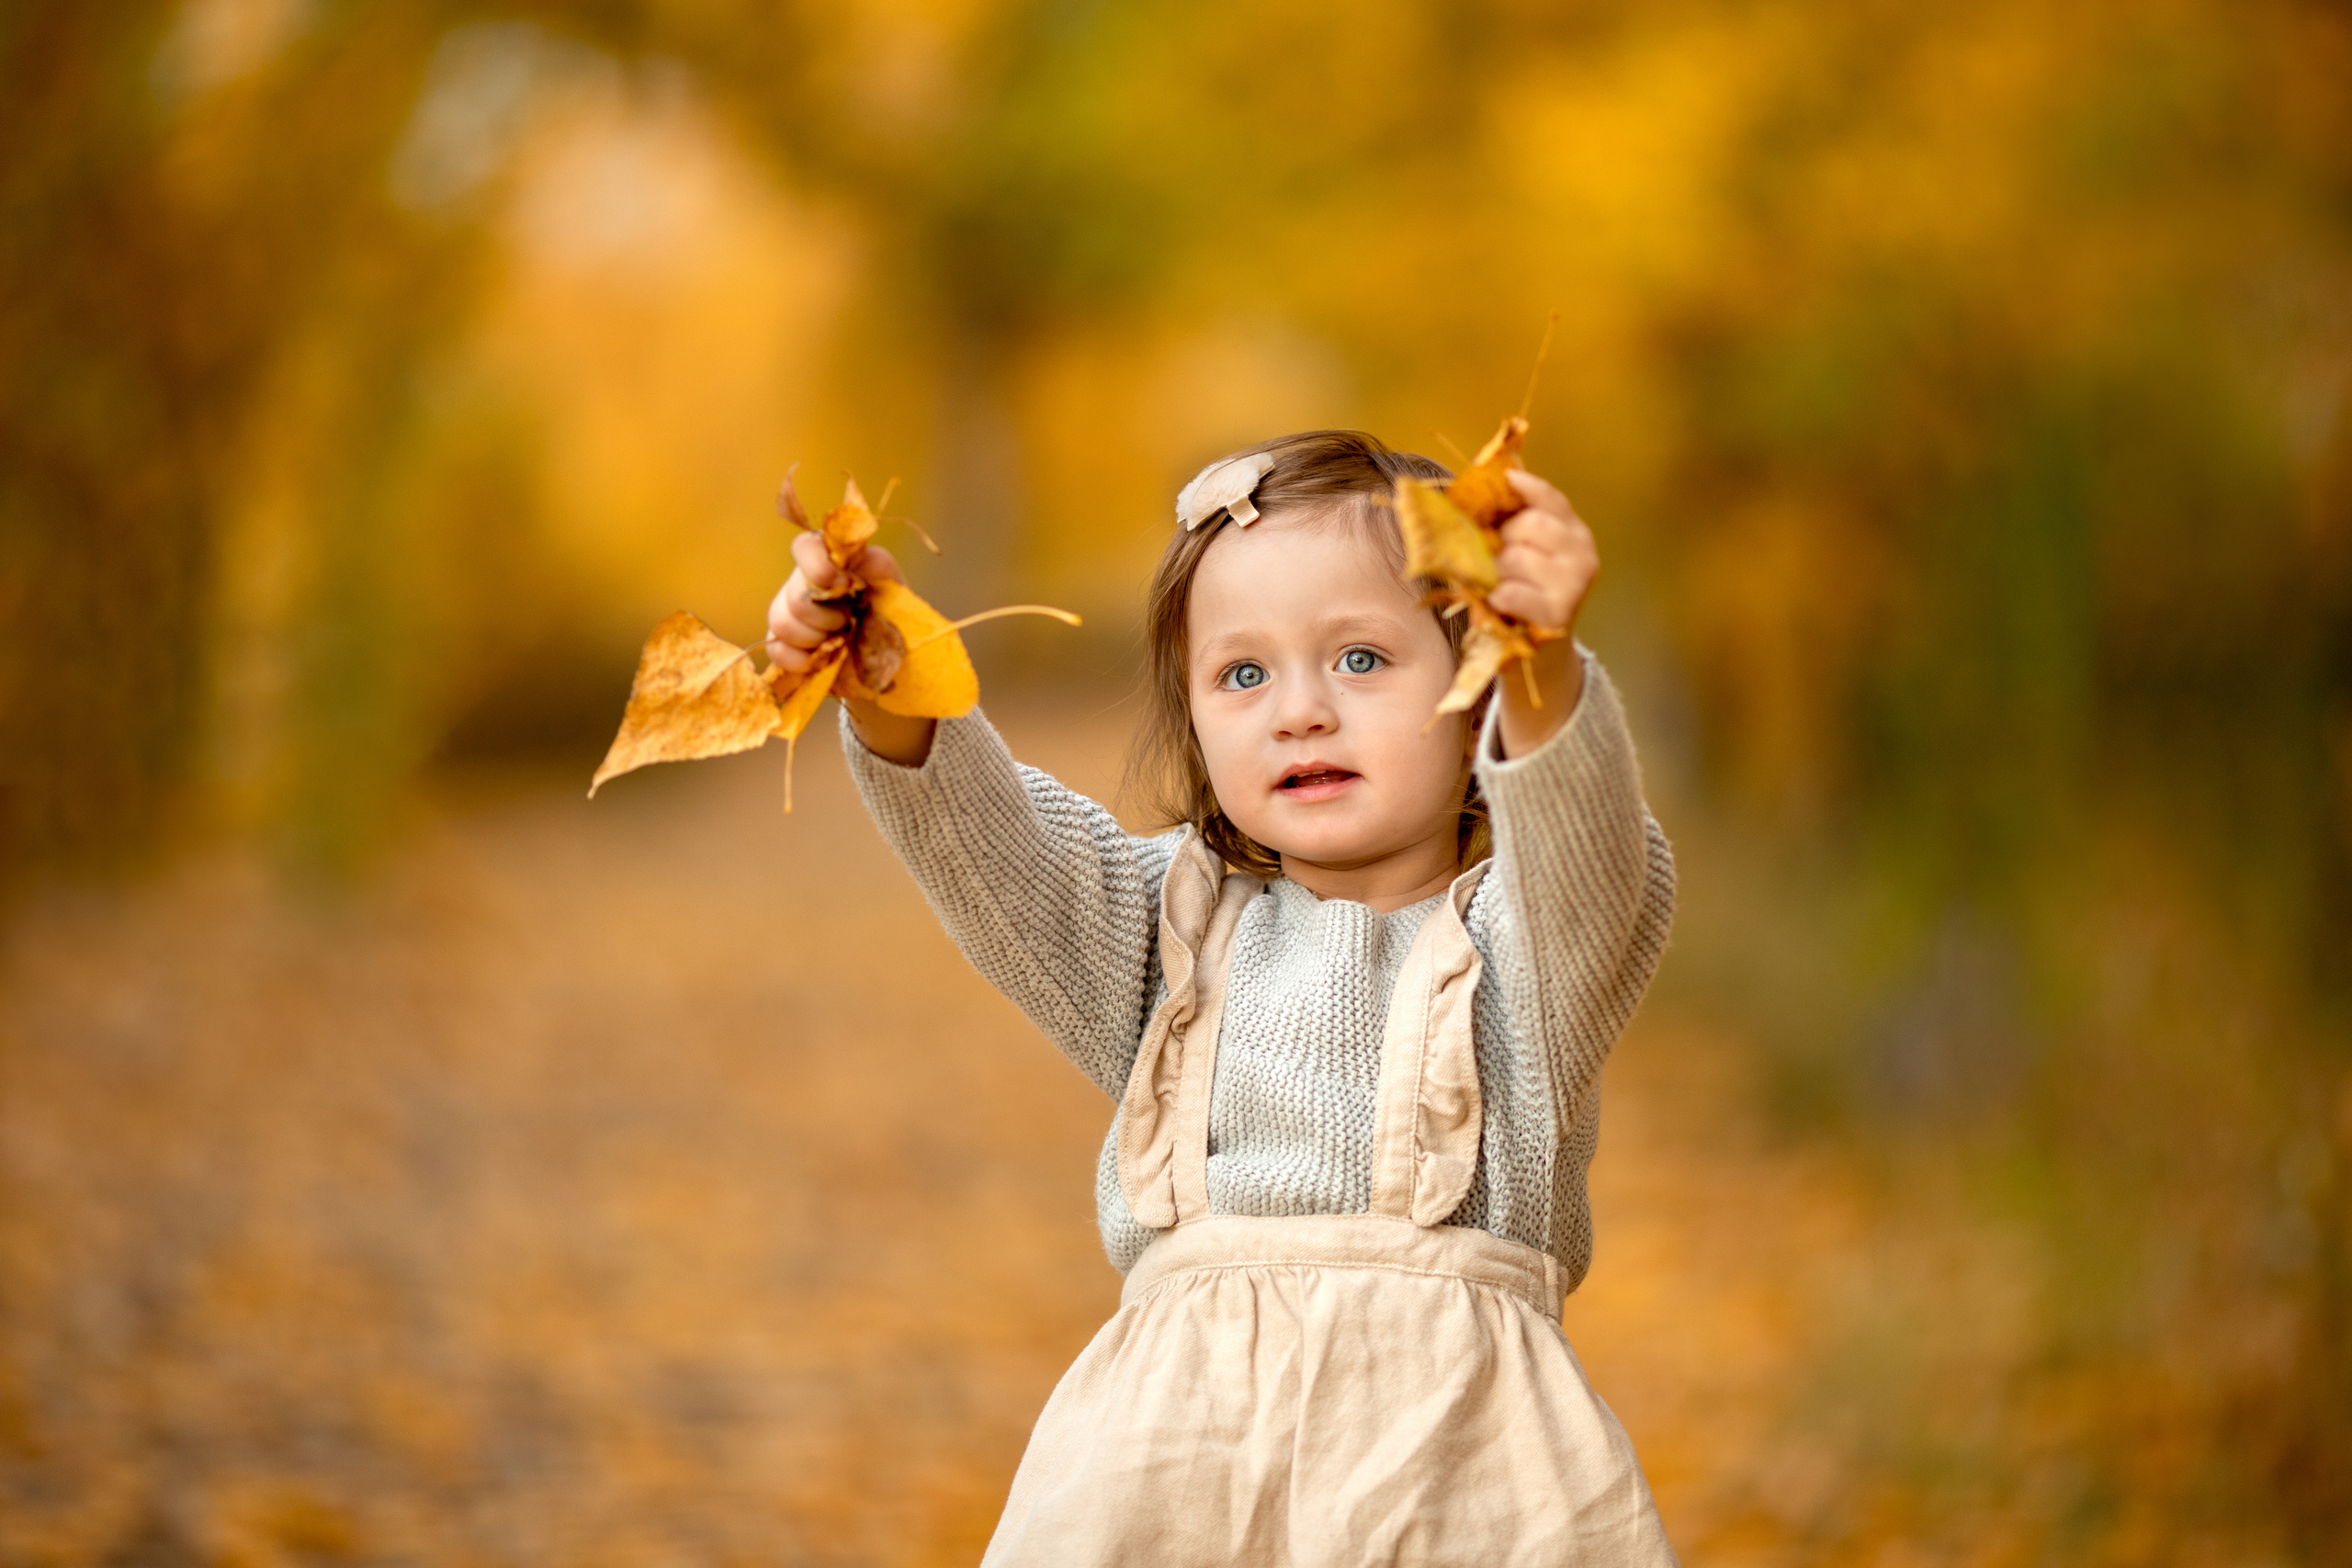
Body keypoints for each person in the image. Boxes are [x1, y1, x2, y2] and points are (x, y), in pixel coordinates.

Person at [765, 429, 1679, 1566]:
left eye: (1359, 659)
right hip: (1169, 1487)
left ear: (1475, 678)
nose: (1298, 711)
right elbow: (992, 843)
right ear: (1194, 722)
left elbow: (1584, 848)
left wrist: (1540, 654)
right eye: (1242, 674)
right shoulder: (1171, 937)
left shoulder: (1525, 951)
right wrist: (882, 672)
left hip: (1452, 1480)